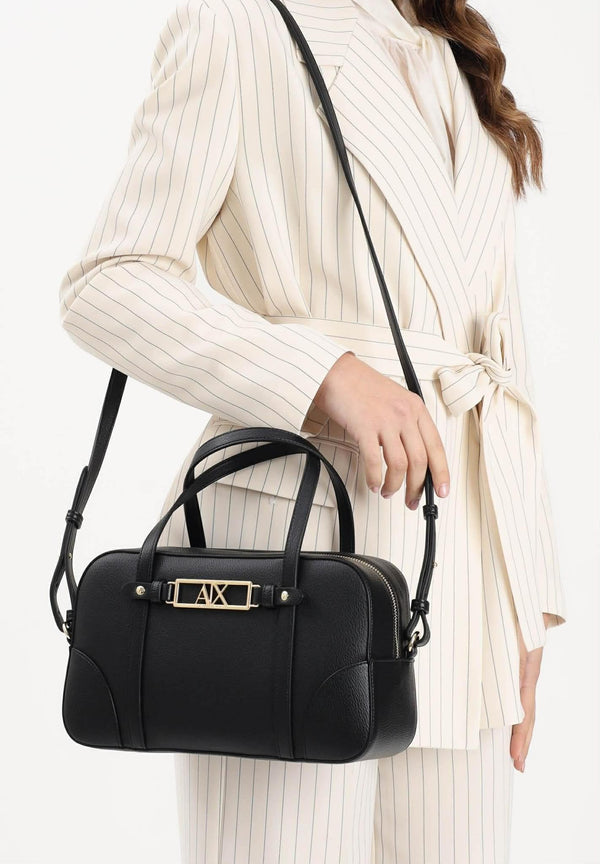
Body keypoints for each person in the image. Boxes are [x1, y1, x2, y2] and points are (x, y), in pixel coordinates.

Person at [57, 0, 568, 860]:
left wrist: (526, 595)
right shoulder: (238, 26)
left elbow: (497, 353)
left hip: (459, 568)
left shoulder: (453, 48)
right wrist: (324, 374)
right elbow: (108, 281)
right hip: (288, 573)